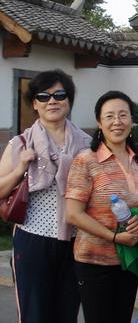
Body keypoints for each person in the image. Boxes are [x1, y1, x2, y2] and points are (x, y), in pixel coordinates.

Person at [0, 70, 90, 323]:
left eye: (59, 95)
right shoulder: (20, 144)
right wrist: (20, 169)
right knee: (34, 314)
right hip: (33, 239)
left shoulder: (87, 145)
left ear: (69, 101)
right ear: (34, 104)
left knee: (66, 313)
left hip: (75, 239)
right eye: (43, 96)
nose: (52, 101)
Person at [65, 91, 138, 323]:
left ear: (132, 120)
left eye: (123, 115)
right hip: (94, 261)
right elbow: (73, 214)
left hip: (129, 260)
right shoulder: (86, 160)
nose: (117, 122)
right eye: (109, 116)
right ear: (99, 122)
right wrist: (114, 237)